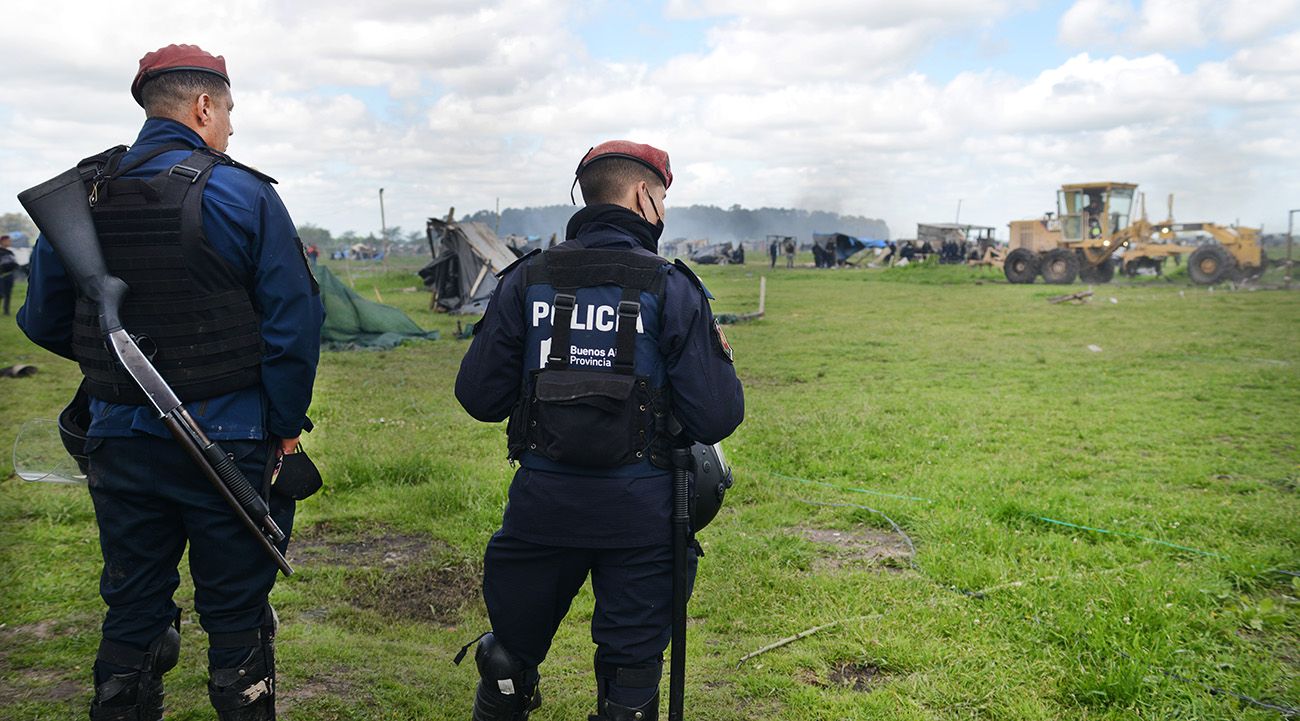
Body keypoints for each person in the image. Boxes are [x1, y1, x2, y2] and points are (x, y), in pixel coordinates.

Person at [17, 44, 323, 721]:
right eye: (230, 113)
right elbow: (293, 327)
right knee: (237, 618)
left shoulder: (83, 194)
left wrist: (117, 364)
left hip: (119, 436)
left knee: (132, 608)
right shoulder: (245, 193)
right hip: (232, 442)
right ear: (204, 106)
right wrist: (283, 427)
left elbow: (40, 319)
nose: (232, 129)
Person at [455, 140, 744, 721]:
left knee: (509, 656)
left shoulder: (525, 278)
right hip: (643, 520)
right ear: (644, 195)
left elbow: (479, 397)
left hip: (541, 511)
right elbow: (717, 416)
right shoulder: (672, 285)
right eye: (662, 197)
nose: (662, 208)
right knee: (630, 675)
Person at [0, 234, 16, 315]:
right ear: (2, 241)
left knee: (8, 294)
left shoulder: (10, 252)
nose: (10, 242)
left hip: (9, 275)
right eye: (8, 240)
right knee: (0, 294)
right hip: (1, 276)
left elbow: (14, 263)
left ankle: (6, 311)